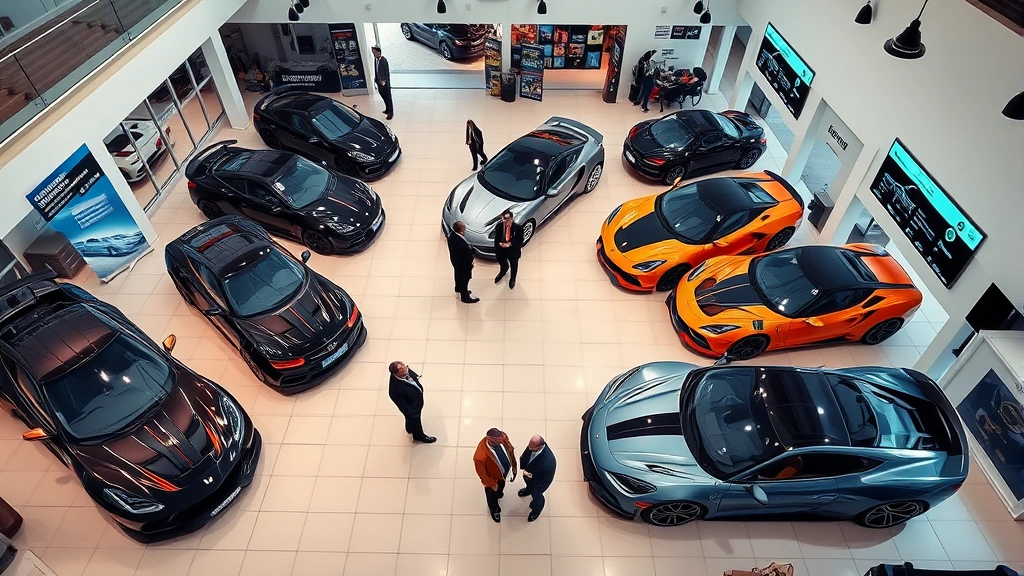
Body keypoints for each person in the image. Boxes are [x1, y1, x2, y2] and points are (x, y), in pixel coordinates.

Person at [473, 428, 517, 523]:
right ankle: (494, 510)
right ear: (490, 440)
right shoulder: (480, 456)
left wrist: (514, 466)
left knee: (501, 486)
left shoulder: (502, 438)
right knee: (492, 496)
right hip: (492, 479)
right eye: (499, 441)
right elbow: (482, 474)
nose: (502, 441)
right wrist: (492, 484)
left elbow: (510, 449)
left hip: (502, 474)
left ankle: (499, 493)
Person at [387, 361, 436, 444]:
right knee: (415, 420)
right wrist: (413, 414)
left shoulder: (406, 370)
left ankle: (409, 428)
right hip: (412, 408)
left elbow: (413, 376)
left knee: (410, 420)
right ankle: (419, 436)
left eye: (403, 365)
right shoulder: (395, 390)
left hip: (416, 400)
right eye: (401, 368)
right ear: (396, 373)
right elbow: (403, 406)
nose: (405, 367)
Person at [518, 435, 556, 522]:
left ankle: (536, 510)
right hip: (530, 475)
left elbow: (546, 480)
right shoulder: (532, 446)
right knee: (529, 485)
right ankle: (528, 489)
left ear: (540, 446)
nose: (529, 447)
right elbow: (526, 454)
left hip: (539, 482)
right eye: (529, 445)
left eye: (531, 446)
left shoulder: (548, 462)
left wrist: (538, 489)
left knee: (536, 496)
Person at [447, 221, 479, 304]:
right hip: (463, 264)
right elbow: (466, 255)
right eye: (464, 227)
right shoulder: (460, 243)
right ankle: (465, 296)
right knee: (464, 279)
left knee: (458, 275)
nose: (465, 227)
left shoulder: (451, 235)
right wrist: (471, 262)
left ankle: (458, 288)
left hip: (456, 261)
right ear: (460, 230)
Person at [492, 210, 523, 289]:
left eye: (508, 219)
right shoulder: (499, 226)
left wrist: (510, 244)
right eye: (504, 219)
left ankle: (513, 278)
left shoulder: (518, 228)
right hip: (502, 249)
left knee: (514, 264)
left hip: (513, 250)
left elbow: (520, 241)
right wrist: (499, 245)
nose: (506, 221)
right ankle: (503, 270)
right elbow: (497, 239)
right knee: (501, 261)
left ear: (511, 218)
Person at [371, 46, 393, 120]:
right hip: (379, 82)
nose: (373, 54)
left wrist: (384, 81)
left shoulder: (383, 60)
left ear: (378, 52)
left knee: (388, 97)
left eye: (374, 52)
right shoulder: (376, 60)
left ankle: (391, 113)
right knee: (383, 96)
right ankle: (387, 109)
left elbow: (386, 72)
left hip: (384, 83)